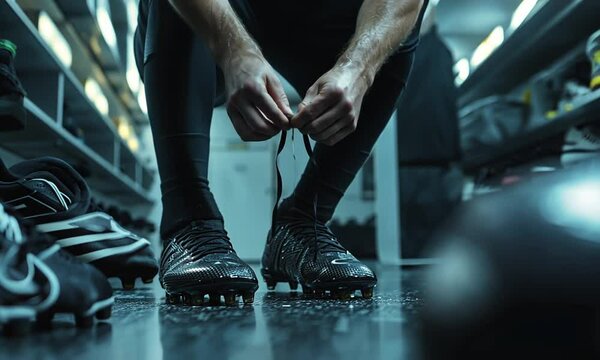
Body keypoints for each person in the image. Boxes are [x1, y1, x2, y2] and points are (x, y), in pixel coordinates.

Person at [134, 0, 427, 305]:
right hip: (206, 20)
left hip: (310, 22)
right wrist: (235, 52)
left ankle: (301, 224)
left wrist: (359, 69)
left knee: (394, 26)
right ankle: (188, 219)